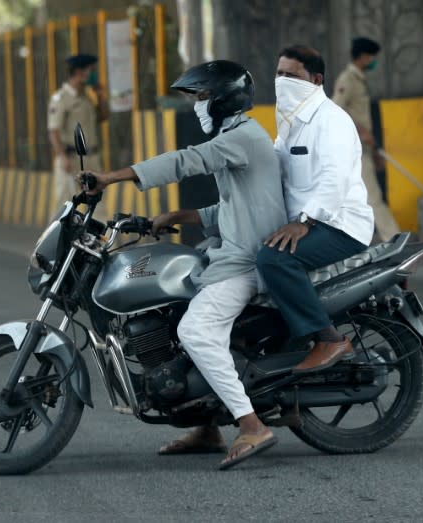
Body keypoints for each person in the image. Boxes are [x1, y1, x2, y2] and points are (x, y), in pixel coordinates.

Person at [79, 60, 287, 470]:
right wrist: (180, 216)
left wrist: (113, 177)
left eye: (203, 97)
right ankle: (208, 426)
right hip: (231, 251)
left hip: (247, 262)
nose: (198, 105)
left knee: (196, 329)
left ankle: (251, 424)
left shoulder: (242, 137)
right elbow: (234, 206)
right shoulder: (236, 135)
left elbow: (185, 161)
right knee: (175, 318)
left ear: (225, 100)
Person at [257, 45, 374, 373]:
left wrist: (305, 221)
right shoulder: (291, 122)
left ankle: (328, 338)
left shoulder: (331, 120)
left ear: (316, 79)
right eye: (279, 74)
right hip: (310, 222)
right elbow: (273, 169)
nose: (282, 81)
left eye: (291, 75)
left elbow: (333, 180)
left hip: (339, 224)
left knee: (274, 258)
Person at [333, 37, 400, 243]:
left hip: (364, 147)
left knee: (361, 198)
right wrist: (361, 131)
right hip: (354, 148)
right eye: (372, 57)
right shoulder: (348, 79)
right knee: (373, 197)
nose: (373, 61)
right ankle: (394, 239)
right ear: (362, 57)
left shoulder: (360, 78)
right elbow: (336, 110)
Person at [48, 54, 109, 220]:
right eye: (91, 70)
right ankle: (56, 244)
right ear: (79, 72)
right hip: (71, 159)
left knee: (96, 203)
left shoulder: (86, 97)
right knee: (65, 206)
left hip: (91, 158)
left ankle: (102, 244)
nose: (94, 74)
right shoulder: (61, 97)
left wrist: (101, 96)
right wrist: (62, 157)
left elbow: (102, 117)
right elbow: (54, 131)